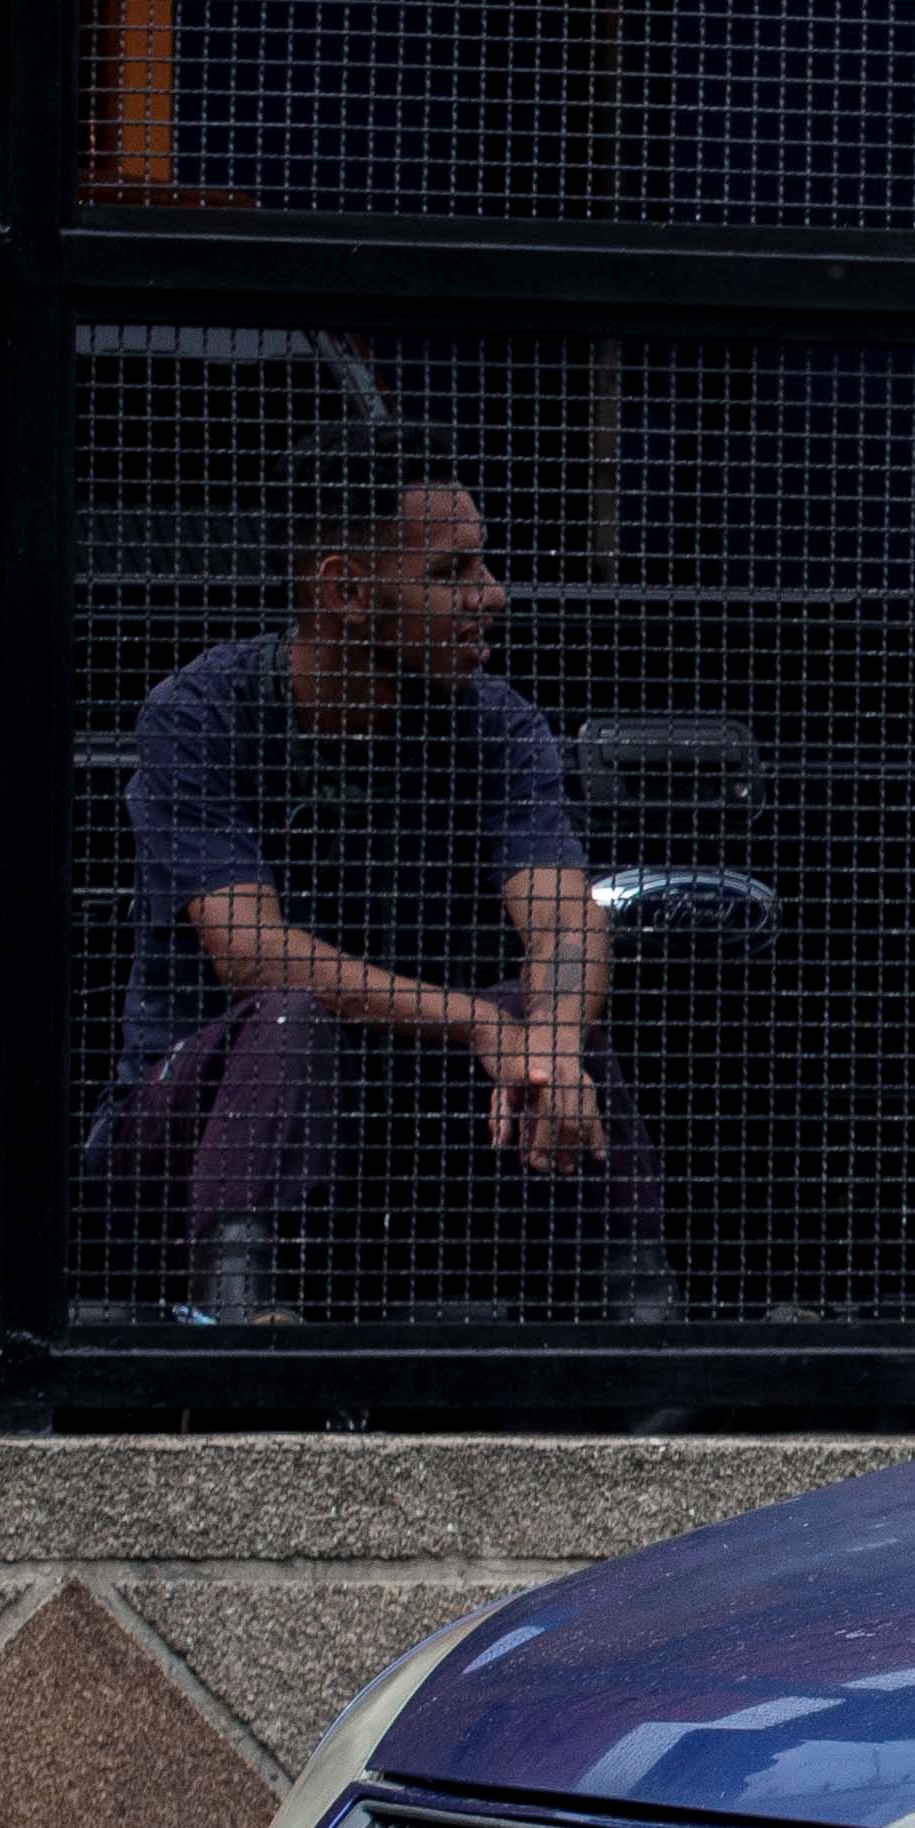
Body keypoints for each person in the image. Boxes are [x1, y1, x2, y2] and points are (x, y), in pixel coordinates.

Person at [93, 421, 666, 1324]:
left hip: (405, 1144)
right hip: (192, 1154)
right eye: (451, 575)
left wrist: (548, 1039)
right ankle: (241, 1327)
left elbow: (565, 921)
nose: (493, 596)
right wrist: (482, 1023)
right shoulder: (200, 712)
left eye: (482, 566)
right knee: (290, 1014)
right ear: (346, 590)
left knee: (554, 1018)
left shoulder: (497, 724)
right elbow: (256, 956)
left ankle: (645, 1341)